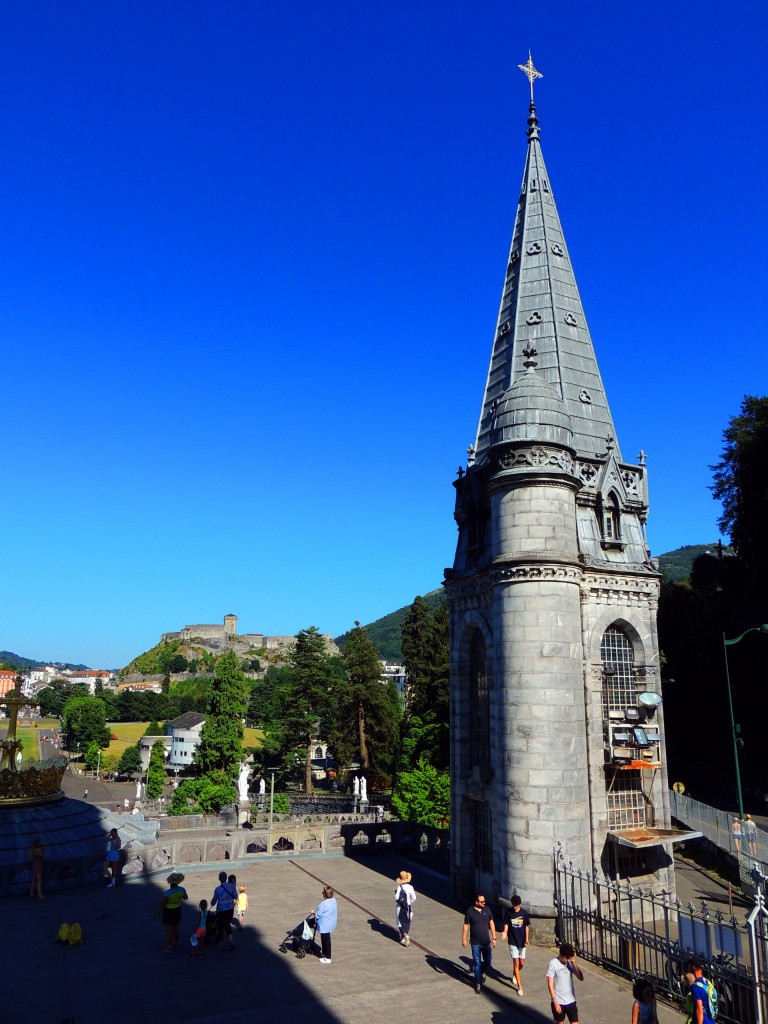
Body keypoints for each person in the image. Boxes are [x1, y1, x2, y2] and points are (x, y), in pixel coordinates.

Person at [462, 893, 497, 993]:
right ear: (476, 902)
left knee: (488, 961)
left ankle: (481, 972)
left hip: (486, 942)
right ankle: (478, 983)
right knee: (477, 963)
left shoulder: (487, 910)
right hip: (475, 942)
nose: (484, 903)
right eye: (482, 902)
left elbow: (491, 922)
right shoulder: (470, 911)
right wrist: (464, 939)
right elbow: (466, 925)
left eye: (484, 901)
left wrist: (494, 938)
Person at [546, 942, 583, 1023]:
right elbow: (550, 984)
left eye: (570, 957)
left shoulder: (570, 963)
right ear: (561, 954)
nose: (568, 959)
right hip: (558, 1001)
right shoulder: (553, 963)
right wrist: (555, 1001)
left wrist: (574, 964)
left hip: (571, 1000)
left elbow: (581, 978)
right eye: (567, 958)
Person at [501, 894, 530, 995]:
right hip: (512, 941)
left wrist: (527, 938)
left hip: (522, 941)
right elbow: (506, 924)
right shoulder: (508, 912)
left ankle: (515, 973)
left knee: (522, 963)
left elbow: (526, 926)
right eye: (513, 905)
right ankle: (520, 986)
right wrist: (505, 932)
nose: (515, 907)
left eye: (516, 905)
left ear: (519, 904)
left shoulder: (524, 913)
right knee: (516, 963)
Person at [158, 871, 188, 952]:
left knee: (169, 929)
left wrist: (158, 912)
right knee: (176, 927)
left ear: (170, 883)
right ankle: (176, 943)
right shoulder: (182, 890)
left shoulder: (168, 893)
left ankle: (169, 946)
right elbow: (185, 898)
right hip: (178, 909)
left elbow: (162, 904)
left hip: (169, 911)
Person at [211, 870, 238, 951]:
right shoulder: (231, 886)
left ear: (219, 879)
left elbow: (213, 901)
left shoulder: (217, 889)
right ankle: (231, 942)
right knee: (227, 925)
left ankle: (221, 946)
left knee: (220, 927)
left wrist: (212, 903)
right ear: (226, 878)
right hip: (230, 909)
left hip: (221, 910)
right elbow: (236, 896)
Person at [687, 958, 716, 1024]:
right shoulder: (707, 982)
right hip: (711, 1020)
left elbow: (699, 1010)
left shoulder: (696, 987)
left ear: (693, 967)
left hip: (703, 1020)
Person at [314, 885, 338, 964]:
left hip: (325, 925)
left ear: (324, 895)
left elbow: (318, 914)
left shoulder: (323, 904)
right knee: (325, 939)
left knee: (326, 940)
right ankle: (324, 953)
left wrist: (313, 912)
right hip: (331, 923)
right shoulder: (334, 900)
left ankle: (328, 958)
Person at [394, 870, 416, 946]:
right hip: (408, 906)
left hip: (400, 906)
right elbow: (414, 898)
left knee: (399, 922)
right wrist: (410, 901)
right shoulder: (411, 887)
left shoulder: (399, 887)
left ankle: (405, 936)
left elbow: (396, 897)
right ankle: (404, 936)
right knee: (407, 921)